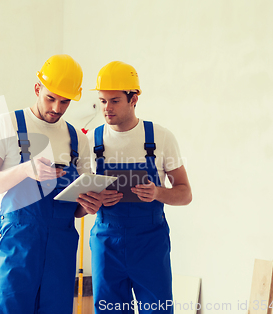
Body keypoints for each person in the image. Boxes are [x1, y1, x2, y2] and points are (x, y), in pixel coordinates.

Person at [0, 54, 103, 314]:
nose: (57, 108)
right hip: (18, 244)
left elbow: (76, 208)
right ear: (37, 88)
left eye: (65, 101)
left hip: (61, 247)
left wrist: (89, 205)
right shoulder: (7, 124)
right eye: (50, 98)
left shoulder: (78, 139)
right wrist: (25, 169)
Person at [78, 61, 192, 313]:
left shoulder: (160, 138)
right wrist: (92, 203)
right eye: (102, 101)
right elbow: (81, 200)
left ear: (134, 98)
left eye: (115, 100)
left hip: (150, 244)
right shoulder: (91, 140)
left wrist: (158, 193)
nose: (107, 108)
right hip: (107, 243)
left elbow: (185, 193)